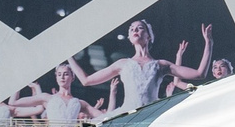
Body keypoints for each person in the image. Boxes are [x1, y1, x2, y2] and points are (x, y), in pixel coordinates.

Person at [72, 19, 211, 113]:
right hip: (128, 115)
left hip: (152, 114)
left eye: (140, 28)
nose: (135, 30)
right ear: (130, 38)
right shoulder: (122, 64)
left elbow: (199, 74)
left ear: (149, 36)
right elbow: (86, 80)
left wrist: (209, 43)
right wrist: (68, 56)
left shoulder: (161, 65)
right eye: (132, 29)